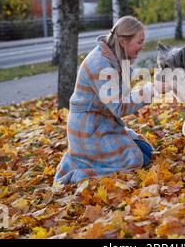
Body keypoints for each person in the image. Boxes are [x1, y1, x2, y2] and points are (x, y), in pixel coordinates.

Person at [54, 15, 167, 184]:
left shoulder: (115, 57)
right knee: (139, 159)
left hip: (102, 123)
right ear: (123, 41)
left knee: (146, 151)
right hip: (88, 130)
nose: (142, 47)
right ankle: (80, 171)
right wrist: (153, 89)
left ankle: (85, 159)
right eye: (139, 42)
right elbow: (119, 106)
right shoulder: (100, 64)